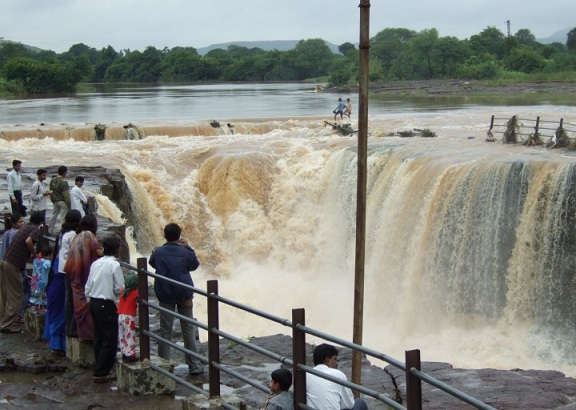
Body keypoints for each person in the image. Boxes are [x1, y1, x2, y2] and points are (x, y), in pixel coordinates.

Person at [149, 222, 204, 375]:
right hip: (184, 294)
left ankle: (163, 364)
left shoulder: (158, 252)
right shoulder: (185, 252)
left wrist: (159, 250)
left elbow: (152, 263)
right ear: (179, 236)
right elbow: (194, 265)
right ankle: (194, 365)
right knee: (188, 328)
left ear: (164, 235)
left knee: (166, 330)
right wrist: (188, 247)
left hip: (165, 294)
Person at [85, 235, 124, 383]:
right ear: (116, 250)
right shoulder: (114, 265)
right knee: (109, 338)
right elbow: (120, 288)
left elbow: (88, 285)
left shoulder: (96, 263)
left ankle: (100, 366)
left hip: (93, 301)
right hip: (106, 303)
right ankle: (101, 372)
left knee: (99, 336)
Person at [44, 209, 82, 355]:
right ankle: (60, 344)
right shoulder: (72, 235)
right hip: (66, 272)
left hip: (58, 270)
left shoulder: (62, 233)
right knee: (63, 307)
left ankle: (56, 342)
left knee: (58, 307)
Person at [0, 211, 43, 333]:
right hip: (13, 264)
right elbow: (28, 241)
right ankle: (6, 324)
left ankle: (2, 321)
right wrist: (35, 254)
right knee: (17, 296)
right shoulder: (35, 229)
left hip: (5, 261)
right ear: (41, 222)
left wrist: (29, 255)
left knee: (4, 294)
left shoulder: (25, 227)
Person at [63, 214, 103, 342]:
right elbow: (98, 251)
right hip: (82, 275)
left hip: (73, 273)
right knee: (84, 305)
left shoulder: (77, 236)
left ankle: (75, 332)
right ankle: (86, 335)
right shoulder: (88, 235)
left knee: (78, 304)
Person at [306, 343, 368, 410]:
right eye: (335, 359)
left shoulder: (306, 375)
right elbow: (349, 404)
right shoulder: (338, 375)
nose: (337, 363)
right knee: (360, 403)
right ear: (327, 360)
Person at [118, 273, 139, 363]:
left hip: (120, 316)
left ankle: (124, 353)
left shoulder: (122, 291)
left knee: (122, 336)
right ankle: (130, 355)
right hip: (129, 317)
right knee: (130, 335)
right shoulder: (135, 293)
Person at [29, 245, 53, 310]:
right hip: (43, 282)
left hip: (34, 282)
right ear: (48, 255)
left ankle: (36, 306)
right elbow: (49, 267)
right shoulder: (47, 262)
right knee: (42, 296)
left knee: (36, 295)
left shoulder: (36, 261)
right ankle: (42, 308)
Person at [48, 165, 70, 234]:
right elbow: (66, 195)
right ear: (64, 173)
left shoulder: (53, 180)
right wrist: (69, 204)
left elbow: (50, 191)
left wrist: (52, 199)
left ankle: (49, 230)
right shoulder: (64, 182)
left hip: (55, 201)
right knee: (63, 218)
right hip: (62, 201)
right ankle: (62, 232)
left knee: (53, 216)